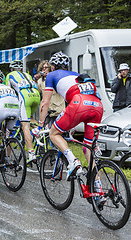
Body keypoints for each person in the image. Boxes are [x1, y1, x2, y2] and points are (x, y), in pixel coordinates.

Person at [37, 51, 103, 183]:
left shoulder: (51, 75)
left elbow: (45, 102)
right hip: (97, 105)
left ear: (53, 66)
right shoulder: (77, 75)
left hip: (79, 104)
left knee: (53, 134)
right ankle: (98, 189)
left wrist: (40, 124)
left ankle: (73, 161)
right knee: (88, 148)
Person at [5, 60, 40, 163]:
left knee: (25, 125)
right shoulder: (27, 75)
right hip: (36, 95)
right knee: (31, 119)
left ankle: (31, 153)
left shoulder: (10, 75)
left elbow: (8, 92)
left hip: (25, 97)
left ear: (12, 69)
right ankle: (41, 136)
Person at [35, 60, 65, 126]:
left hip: (58, 110)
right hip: (48, 111)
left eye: (46, 67)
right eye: (43, 68)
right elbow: (38, 92)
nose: (44, 69)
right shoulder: (40, 81)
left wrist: (49, 76)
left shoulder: (55, 78)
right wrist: (35, 80)